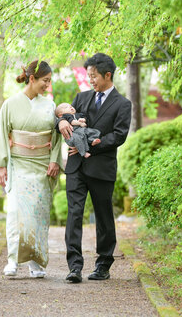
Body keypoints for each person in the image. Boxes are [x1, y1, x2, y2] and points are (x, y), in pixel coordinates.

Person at [57, 53, 131, 283]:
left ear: (108, 75)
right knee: (74, 214)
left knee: (104, 216)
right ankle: (74, 267)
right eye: (88, 75)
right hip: (76, 167)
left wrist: (88, 146)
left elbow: (119, 135)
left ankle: (103, 264)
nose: (90, 80)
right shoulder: (82, 97)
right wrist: (60, 121)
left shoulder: (123, 104)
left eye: (94, 76)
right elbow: (66, 115)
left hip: (102, 168)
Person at [0, 60, 62, 278]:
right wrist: (1, 166)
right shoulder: (10, 104)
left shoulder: (49, 105)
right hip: (18, 165)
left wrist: (54, 160)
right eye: (45, 81)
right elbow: (1, 134)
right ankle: (13, 260)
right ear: (32, 79)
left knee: (38, 216)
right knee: (15, 213)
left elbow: (57, 136)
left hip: (41, 166)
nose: (47, 86)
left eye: (49, 81)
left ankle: (36, 262)